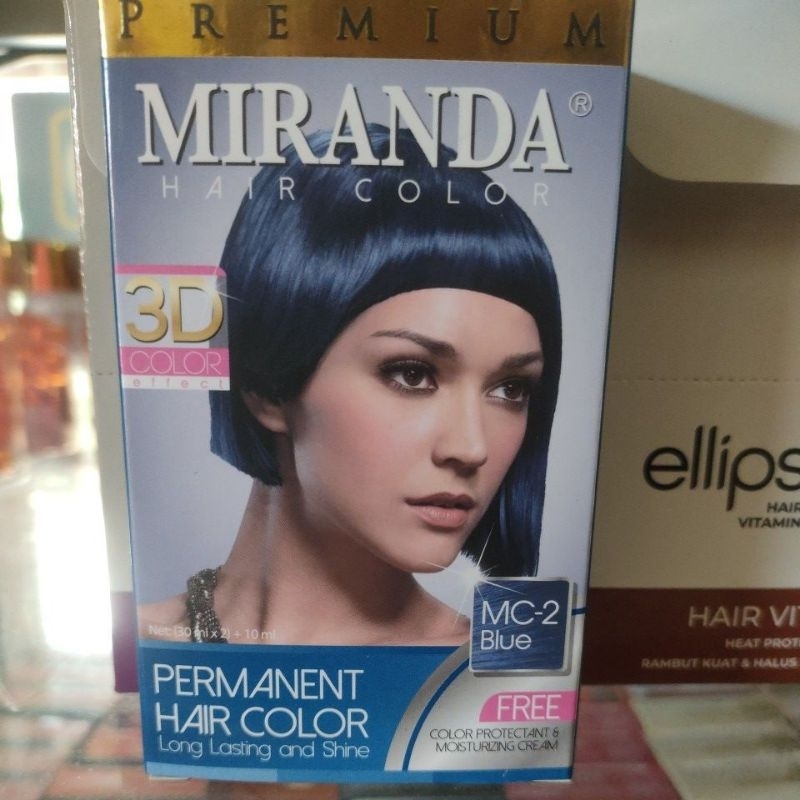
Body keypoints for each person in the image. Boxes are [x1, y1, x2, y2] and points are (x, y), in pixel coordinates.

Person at [139, 124, 562, 646]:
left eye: (510, 389)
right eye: (412, 374)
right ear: (266, 387)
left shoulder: (499, 668)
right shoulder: (146, 645)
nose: (472, 448)